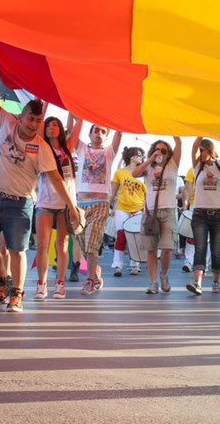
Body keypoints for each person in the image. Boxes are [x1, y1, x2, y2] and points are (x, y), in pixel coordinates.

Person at [0, 65, 77, 310]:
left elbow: (56, 179)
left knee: (17, 250)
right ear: (20, 117)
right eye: (30, 119)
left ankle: (17, 294)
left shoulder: (42, 148)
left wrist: (72, 207)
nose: (34, 124)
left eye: (38, 121)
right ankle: (4, 280)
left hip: (19, 203)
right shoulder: (5, 121)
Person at [67, 116, 122, 295]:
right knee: (82, 244)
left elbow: (119, 131)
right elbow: (70, 129)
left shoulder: (109, 152)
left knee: (91, 243)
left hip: (100, 204)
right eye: (96, 130)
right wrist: (77, 115)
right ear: (89, 134)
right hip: (81, 205)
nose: (99, 133)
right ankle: (95, 271)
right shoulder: (82, 148)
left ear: (106, 136)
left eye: (103, 131)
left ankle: (89, 280)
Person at [186, 137, 220, 295]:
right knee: (199, 249)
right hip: (200, 214)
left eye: (203, 150)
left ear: (210, 150)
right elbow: (194, 146)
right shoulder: (196, 167)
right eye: (199, 150)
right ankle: (197, 283)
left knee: (216, 250)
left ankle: (215, 282)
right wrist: (201, 134)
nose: (200, 153)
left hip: (218, 214)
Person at [33, 116, 76, 299]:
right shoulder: (41, 146)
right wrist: (45, 100)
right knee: (42, 245)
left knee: (62, 245)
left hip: (66, 204)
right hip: (45, 202)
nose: (52, 127)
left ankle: (60, 284)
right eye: (49, 125)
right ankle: (41, 285)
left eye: (55, 124)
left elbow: (78, 125)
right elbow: (39, 120)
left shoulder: (67, 148)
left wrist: (74, 112)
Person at [133, 137, 182, 294]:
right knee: (151, 249)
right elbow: (134, 173)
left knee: (167, 247)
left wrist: (173, 129)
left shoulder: (172, 165)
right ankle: (153, 282)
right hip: (150, 213)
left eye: (163, 150)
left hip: (168, 211)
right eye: (157, 149)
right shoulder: (148, 167)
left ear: (169, 154)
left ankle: (163, 275)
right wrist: (150, 160)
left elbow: (179, 143)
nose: (160, 152)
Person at [111, 147, 145, 276]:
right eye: (139, 154)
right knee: (121, 236)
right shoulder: (120, 173)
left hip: (138, 209)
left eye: (142, 155)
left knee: (136, 238)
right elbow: (113, 192)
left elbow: (148, 194)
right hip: (122, 208)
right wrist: (109, 207)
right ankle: (117, 265)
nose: (141, 157)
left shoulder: (144, 173)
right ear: (131, 157)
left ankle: (135, 264)